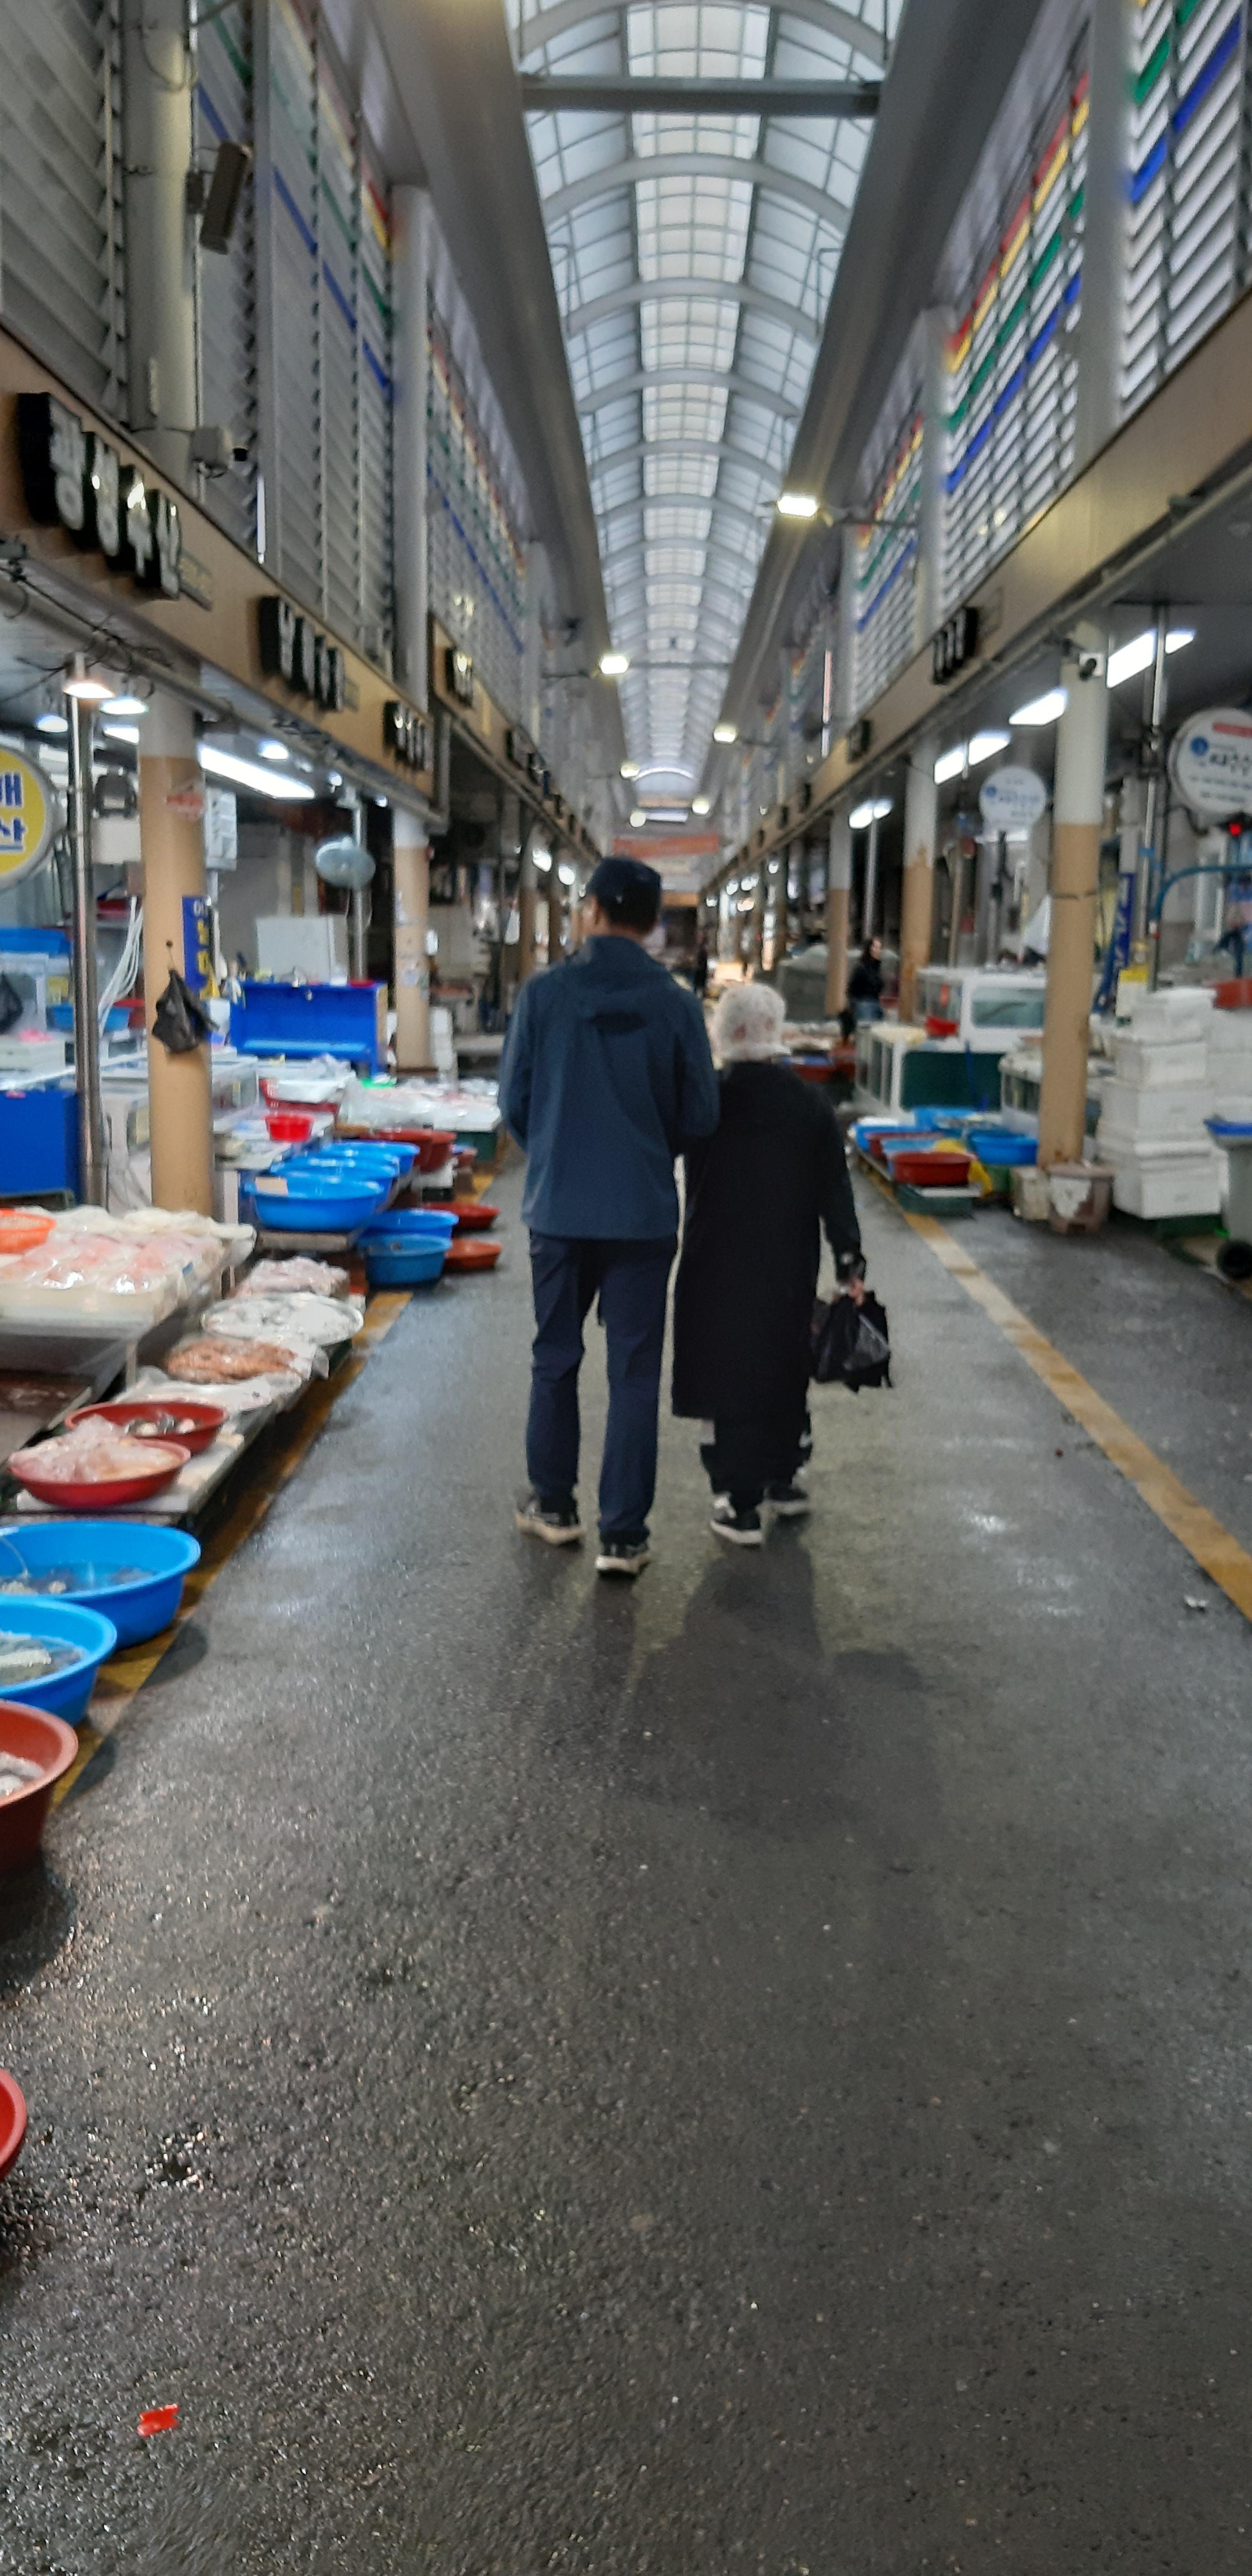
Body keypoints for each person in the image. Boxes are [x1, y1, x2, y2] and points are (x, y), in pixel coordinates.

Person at [499, 854, 720, 1578]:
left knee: (555, 1357)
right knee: (634, 1373)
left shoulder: (544, 995)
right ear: (653, 923)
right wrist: (649, 1150)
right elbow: (702, 1114)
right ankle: (624, 1536)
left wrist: (555, 1149)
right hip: (642, 1214)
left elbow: (514, 1102)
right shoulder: (678, 1005)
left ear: (592, 910)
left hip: (559, 1209)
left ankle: (554, 1506)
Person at [671, 982, 865, 1549]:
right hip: (787, 1261)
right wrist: (848, 1259)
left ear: (725, 1032)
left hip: (715, 1261)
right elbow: (835, 1190)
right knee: (784, 1361)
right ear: (775, 1032)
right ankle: (785, 1478)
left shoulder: (708, 1100)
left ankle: (739, 1503)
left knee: (724, 1373)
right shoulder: (809, 1104)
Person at [840, 933, 883, 1039]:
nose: (878, 951)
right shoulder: (862, 968)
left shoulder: (876, 968)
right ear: (869, 949)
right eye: (876, 947)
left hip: (875, 1003)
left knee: (874, 1035)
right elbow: (852, 987)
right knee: (866, 1035)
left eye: (880, 948)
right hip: (863, 1003)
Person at [691, 935, 710, 999]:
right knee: (697, 989)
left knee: (696, 989)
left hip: (699, 973)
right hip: (699, 973)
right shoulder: (701, 950)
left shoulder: (700, 950)